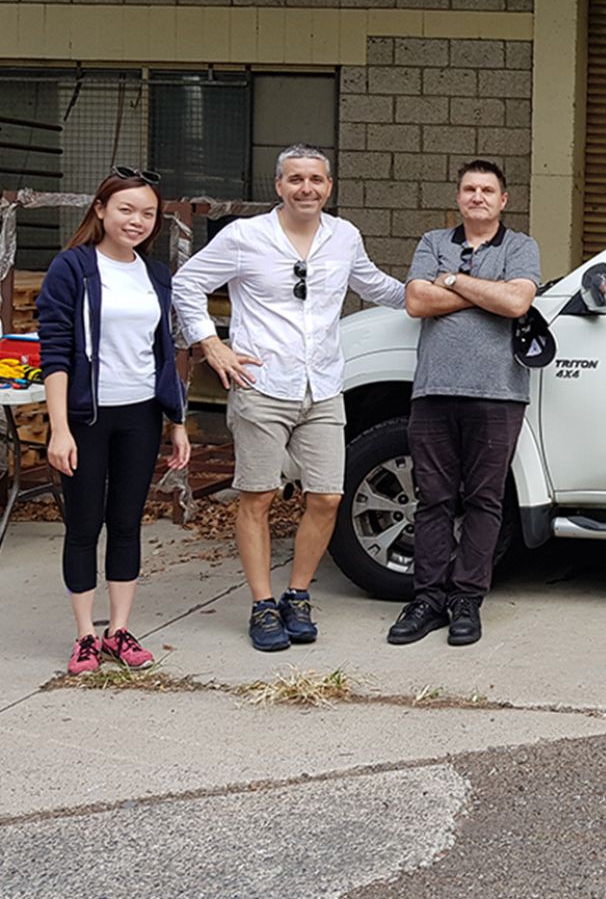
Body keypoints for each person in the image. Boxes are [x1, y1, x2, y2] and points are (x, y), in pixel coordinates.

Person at [173, 144, 406, 652]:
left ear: (329, 186)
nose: (307, 188)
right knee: (256, 496)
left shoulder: (343, 237)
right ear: (278, 185)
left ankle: (296, 595)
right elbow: (186, 283)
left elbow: (377, 286)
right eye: (296, 179)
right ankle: (262, 604)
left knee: (326, 496)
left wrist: (440, 296)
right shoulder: (245, 237)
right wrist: (212, 345)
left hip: (322, 387)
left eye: (316, 180)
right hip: (263, 386)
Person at [37, 169, 191, 674]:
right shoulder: (73, 268)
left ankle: (119, 630)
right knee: (84, 526)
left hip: (141, 413)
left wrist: (176, 421)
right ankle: (85, 635)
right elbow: (55, 354)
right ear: (101, 210)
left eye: (148, 213)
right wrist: (59, 428)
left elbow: (163, 352)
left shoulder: (155, 275)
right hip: (86, 417)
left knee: (126, 523)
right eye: (126, 209)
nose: (137, 221)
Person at [386, 160, 540, 647]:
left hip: (498, 393)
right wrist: (487, 294)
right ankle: (428, 598)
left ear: (503, 200)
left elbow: (518, 304)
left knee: (483, 499)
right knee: (433, 498)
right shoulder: (433, 242)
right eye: (470, 189)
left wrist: (451, 282)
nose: (478, 197)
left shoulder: (520, 246)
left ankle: (467, 600)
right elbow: (415, 302)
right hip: (434, 390)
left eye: (487, 190)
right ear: (458, 197)